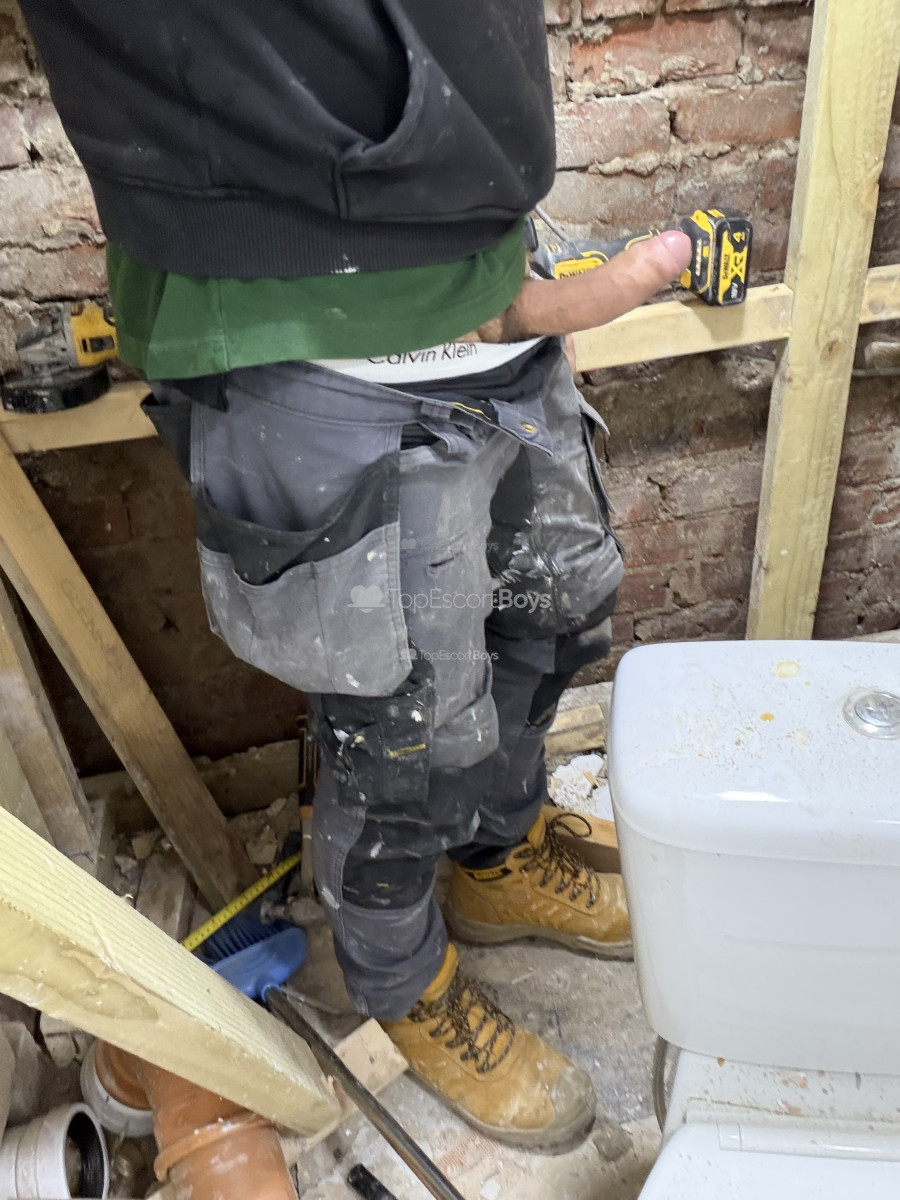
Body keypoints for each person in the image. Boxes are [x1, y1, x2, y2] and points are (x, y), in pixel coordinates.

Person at [19, 0, 690, 1152]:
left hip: (487, 294)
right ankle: (404, 980)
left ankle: (495, 859)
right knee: (399, 733)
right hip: (293, 335)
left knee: (557, 606)